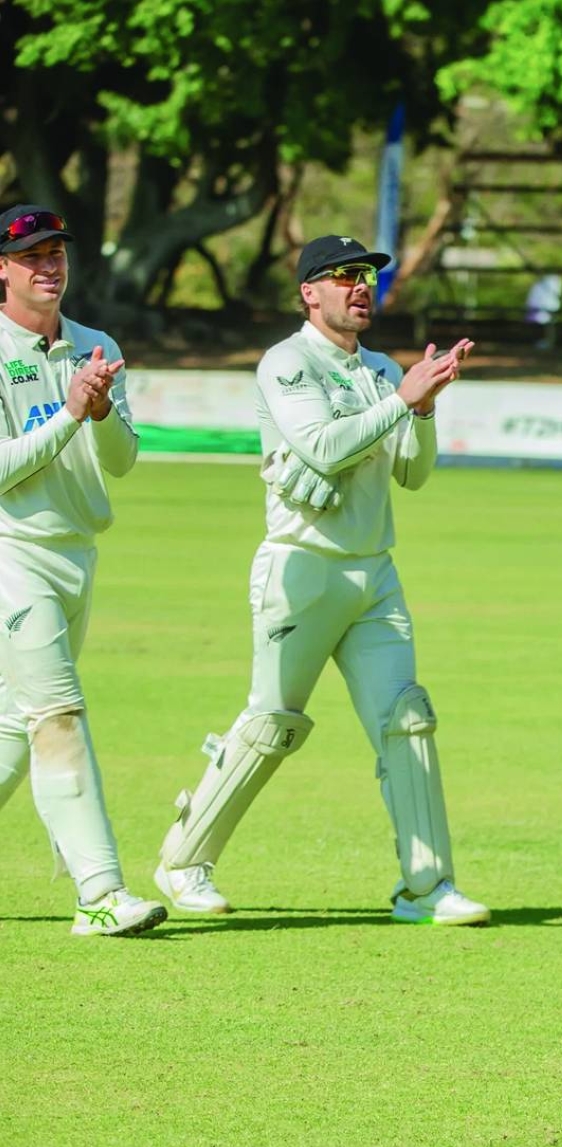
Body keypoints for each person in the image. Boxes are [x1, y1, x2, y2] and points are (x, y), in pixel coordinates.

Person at [155, 234, 490, 926]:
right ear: (310, 291)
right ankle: (183, 861)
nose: (361, 285)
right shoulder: (286, 362)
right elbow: (323, 446)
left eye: (367, 275)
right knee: (271, 724)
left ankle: (426, 887)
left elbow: (413, 472)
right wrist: (403, 400)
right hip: (301, 568)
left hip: (374, 572)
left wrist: (422, 409)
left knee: (409, 720)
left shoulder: (378, 368)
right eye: (344, 275)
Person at [0, 203, 167, 937]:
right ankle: (101, 892)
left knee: (15, 724)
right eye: (32, 254)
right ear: (1, 269)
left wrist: (98, 414)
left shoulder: (96, 345)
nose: (49, 265)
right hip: (12, 551)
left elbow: (124, 461)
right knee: (59, 713)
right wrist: (68, 414)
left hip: (78, 554)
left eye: (57, 252)